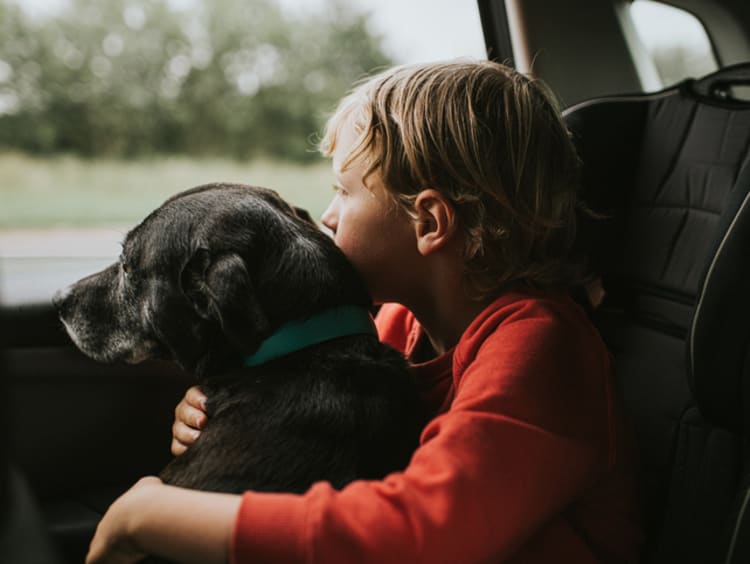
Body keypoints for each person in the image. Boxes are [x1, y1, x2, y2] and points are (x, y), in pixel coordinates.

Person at [87, 60, 642, 564]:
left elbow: (418, 534)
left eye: (344, 191)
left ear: (429, 222)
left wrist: (151, 514)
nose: (326, 218)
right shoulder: (398, 325)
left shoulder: (539, 346)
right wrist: (222, 409)